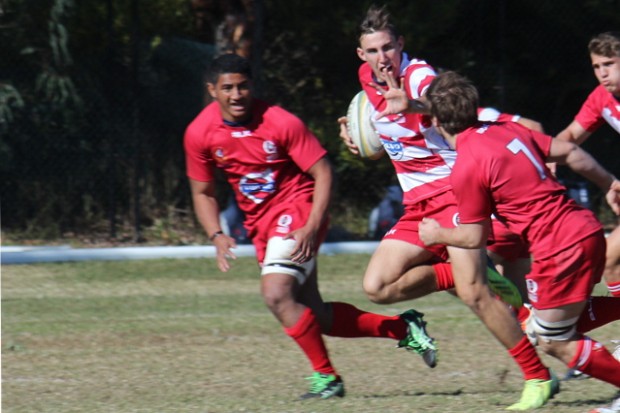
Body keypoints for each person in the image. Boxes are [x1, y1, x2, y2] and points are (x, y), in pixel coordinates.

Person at [337, 5, 557, 410]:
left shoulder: (419, 75)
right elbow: (387, 133)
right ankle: (462, 276)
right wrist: (354, 135)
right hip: (417, 204)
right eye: (373, 50)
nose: (382, 57)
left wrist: (416, 105)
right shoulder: (366, 81)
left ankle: (538, 377)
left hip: (455, 193)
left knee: (474, 294)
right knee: (378, 287)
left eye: (389, 47)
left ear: (401, 45)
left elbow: (453, 108)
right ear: (361, 55)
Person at [184, 53, 438, 401]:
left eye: (243, 86)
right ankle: (401, 327)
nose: (237, 95)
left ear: (252, 86)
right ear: (212, 90)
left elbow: (323, 172)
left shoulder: (278, 121)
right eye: (227, 88)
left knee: (276, 294)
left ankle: (327, 379)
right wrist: (216, 234)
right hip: (262, 225)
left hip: (297, 209)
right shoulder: (199, 132)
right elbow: (202, 192)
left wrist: (312, 224)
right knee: (314, 315)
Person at [418, 71, 620, 398]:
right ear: (474, 107)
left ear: (437, 121)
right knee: (559, 320)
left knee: (551, 339)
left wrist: (436, 233)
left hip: (559, 247)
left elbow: (474, 238)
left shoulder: (467, 165)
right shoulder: (507, 129)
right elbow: (569, 152)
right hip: (586, 228)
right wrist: (610, 182)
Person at [555, 30, 620, 413]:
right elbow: (570, 136)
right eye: (597, 66)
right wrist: (542, 159)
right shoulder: (602, 99)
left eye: (609, 64)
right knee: (611, 259)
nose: (602, 73)